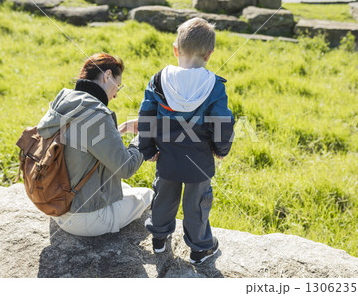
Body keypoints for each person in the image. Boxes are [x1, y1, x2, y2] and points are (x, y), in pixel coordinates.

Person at [138, 18, 235, 264]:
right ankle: (200, 249)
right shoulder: (213, 85)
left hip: (167, 156)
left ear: (175, 49)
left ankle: (159, 240)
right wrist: (221, 148)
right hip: (199, 159)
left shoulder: (158, 80)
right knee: (197, 205)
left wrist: (148, 149)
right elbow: (222, 121)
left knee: (163, 197)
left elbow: (146, 116)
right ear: (209, 54)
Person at [36, 52, 153, 236]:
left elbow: (83, 143)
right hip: (87, 219)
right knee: (149, 195)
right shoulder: (96, 113)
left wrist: (119, 130)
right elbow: (126, 168)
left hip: (56, 205)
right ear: (107, 75)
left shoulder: (65, 100)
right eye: (118, 86)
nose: (115, 96)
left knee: (126, 189)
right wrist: (144, 136)